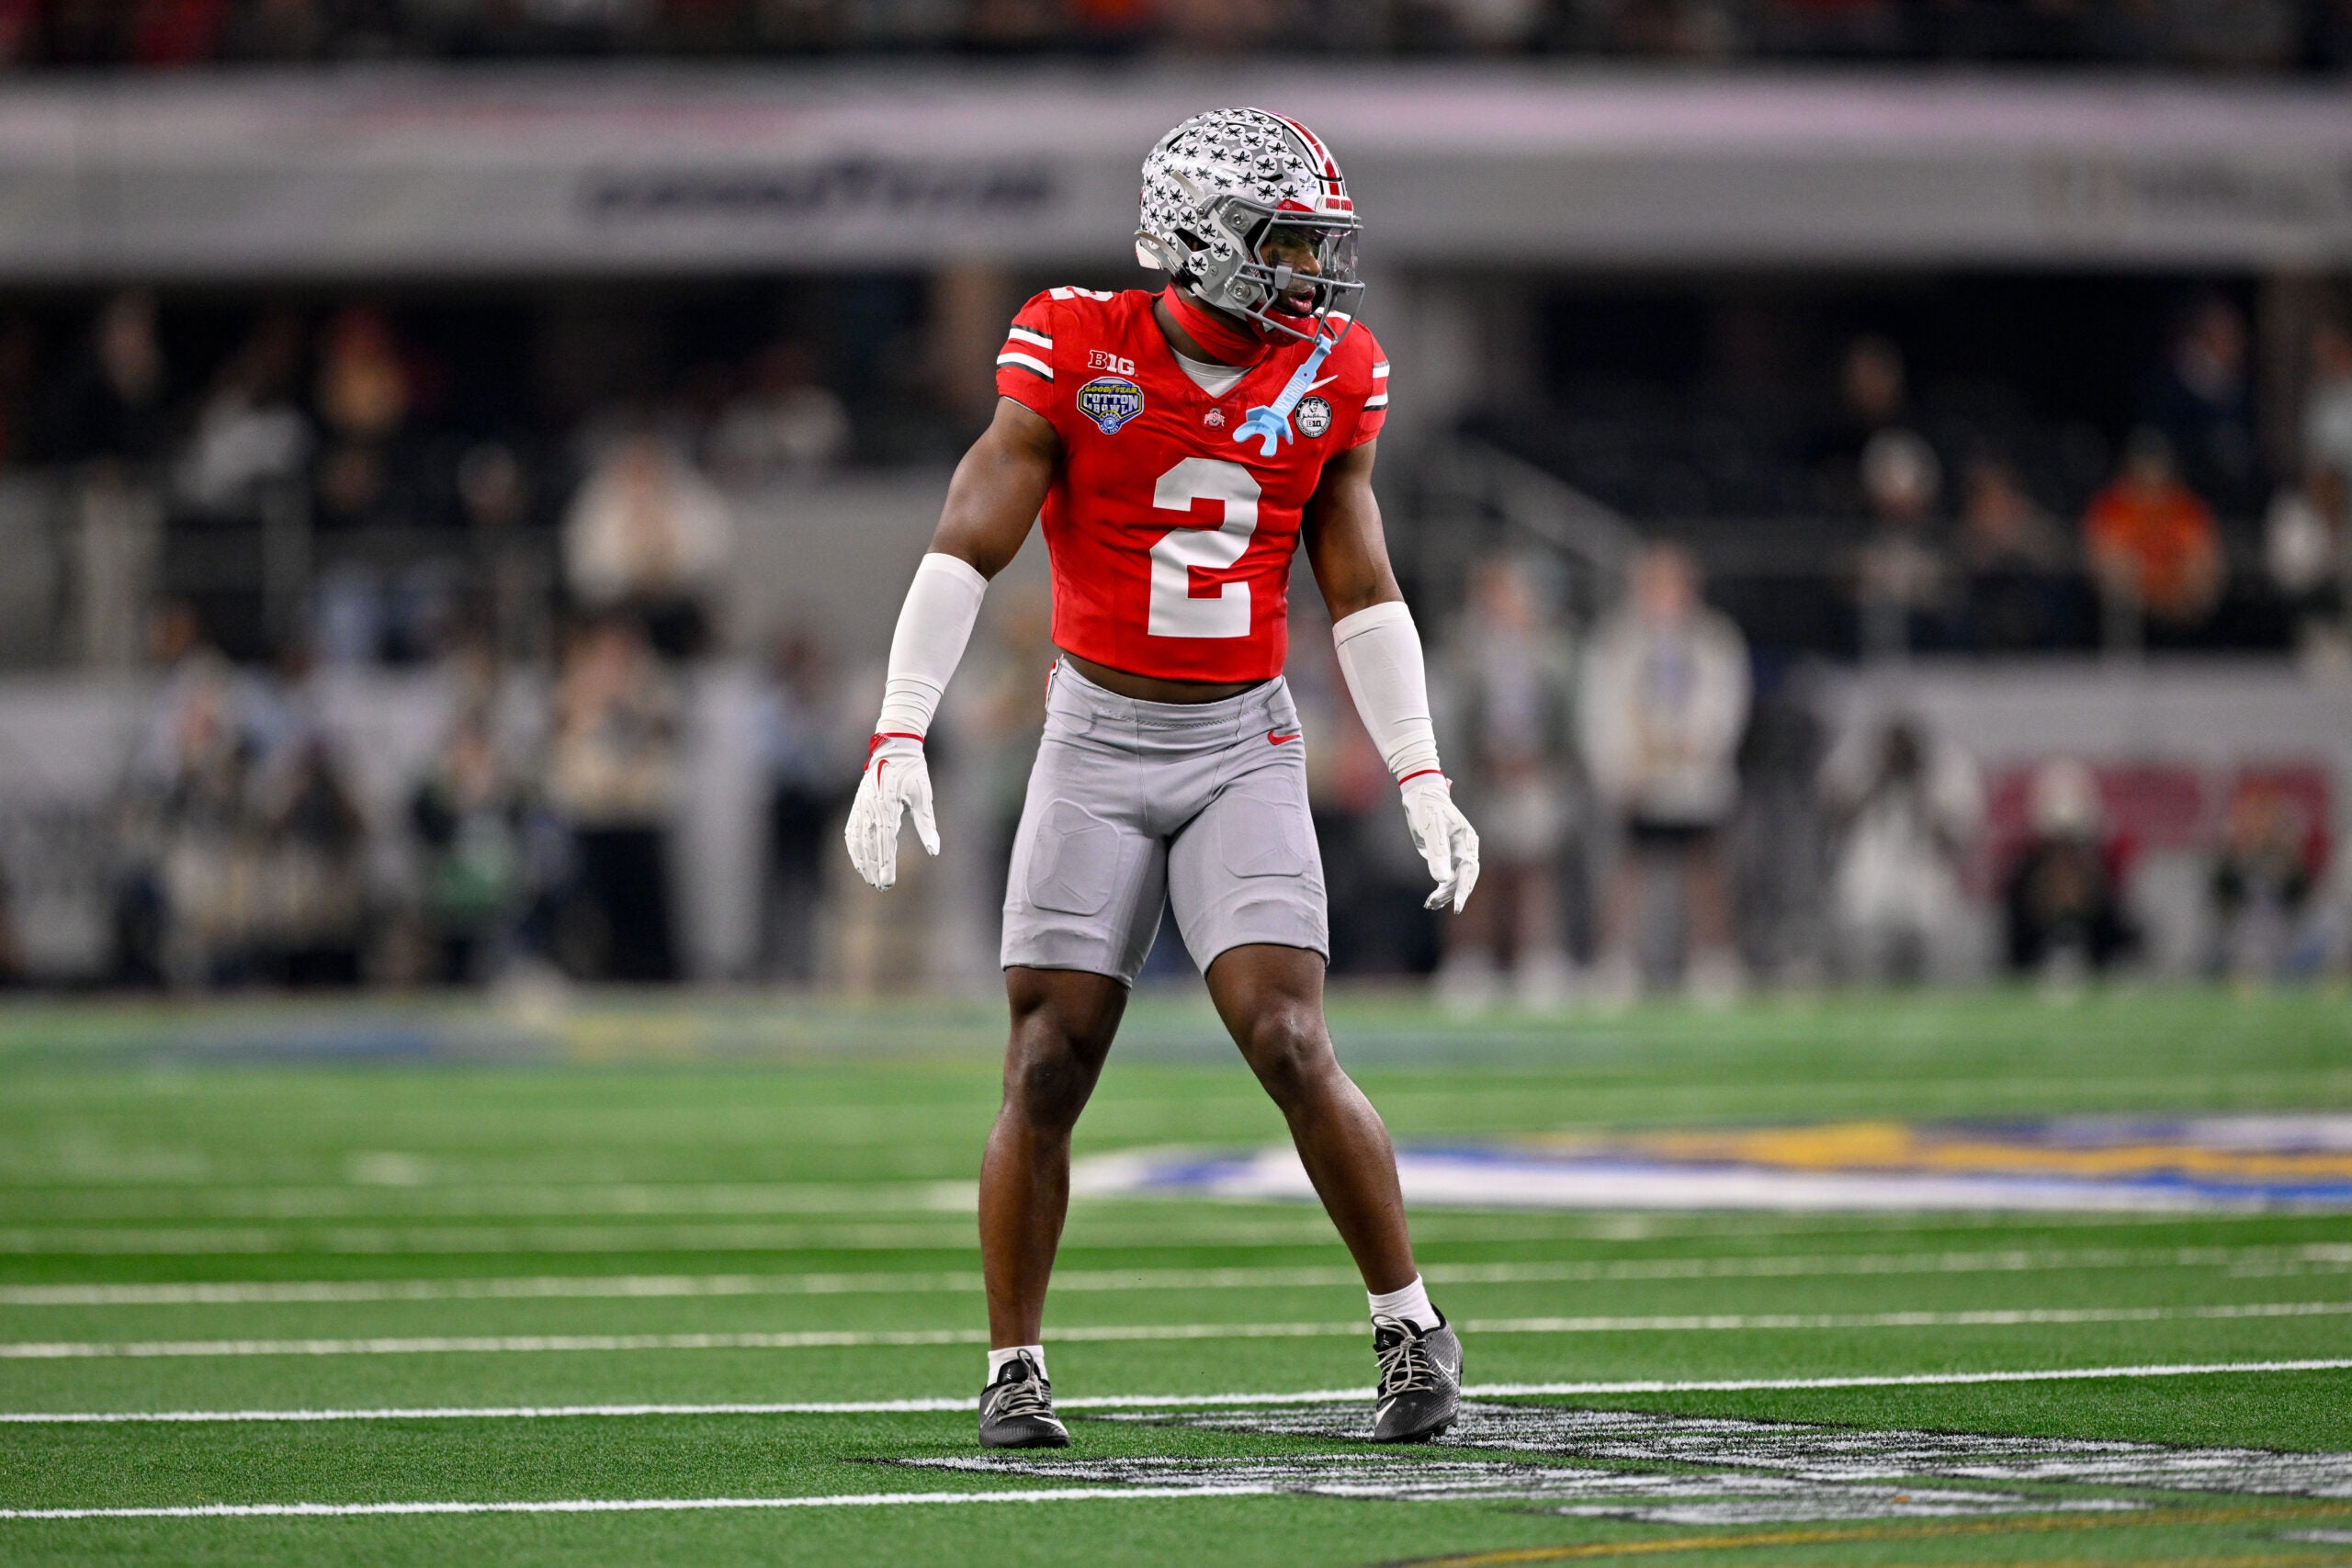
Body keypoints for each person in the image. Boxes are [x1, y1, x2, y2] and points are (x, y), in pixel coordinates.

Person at [839, 109, 1479, 1450]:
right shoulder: (1080, 343)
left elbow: (1359, 581)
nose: (1311, 269)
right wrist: (898, 727)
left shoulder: (1335, 370)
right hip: (1093, 735)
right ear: (1201, 239)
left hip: (1241, 736)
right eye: (1285, 238)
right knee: (1048, 1061)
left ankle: (1411, 1323)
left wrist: (1421, 770)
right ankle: (1014, 1361)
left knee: (1289, 1036)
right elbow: (971, 535)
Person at [1578, 543, 1751, 998]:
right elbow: (1600, 707)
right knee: (1629, 870)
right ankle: (1615, 959)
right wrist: (1618, 765)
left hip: (1693, 775)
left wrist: (1700, 746)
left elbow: (1727, 704)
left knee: (1703, 869)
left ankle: (1713, 959)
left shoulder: (1713, 639)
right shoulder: (1617, 639)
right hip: (1638, 775)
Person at [1433, 555, 1578, 1009]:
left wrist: (1544, 763)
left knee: (1534, 870)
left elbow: (1564, 718)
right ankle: (1468, 959)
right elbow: (1451, 717)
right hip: (1478, 775)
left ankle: (1536, 956)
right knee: (1476, 870)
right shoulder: (1463, 649)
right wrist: (1480, 761)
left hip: (1535, 774)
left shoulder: (1551, 651)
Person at [2082, 429, 2222, 637]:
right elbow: (2103, 564)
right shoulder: (2112, 507)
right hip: (2127, 617)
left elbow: (2206, 567)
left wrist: (2179, 597)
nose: (2151, 475)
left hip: (2182, 616)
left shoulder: (2186, 508)